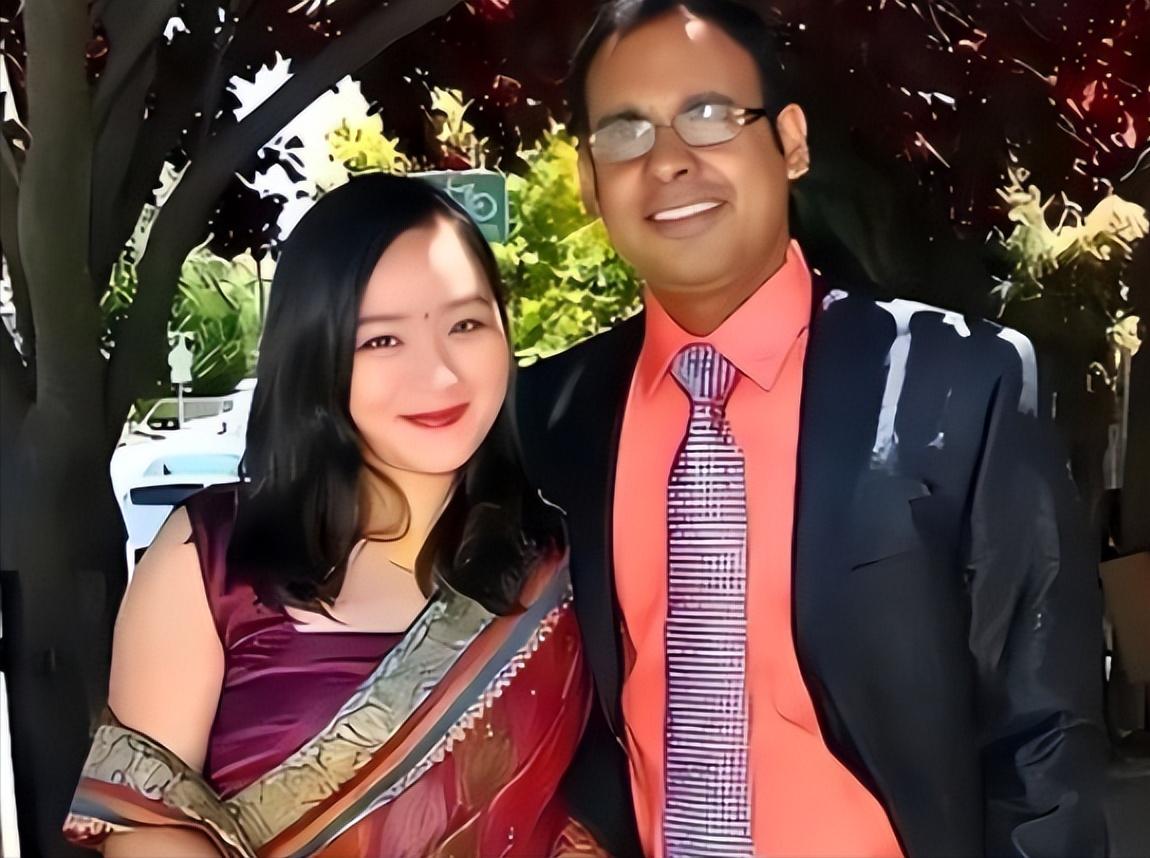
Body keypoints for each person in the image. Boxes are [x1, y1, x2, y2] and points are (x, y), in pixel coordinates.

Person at [516, 1, 1109, 856]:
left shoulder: (956, 385)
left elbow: (1043, 744)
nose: (668, 160)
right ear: (587, 177)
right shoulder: (552, 416)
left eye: (709, 114)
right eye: (625, 131)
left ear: (790, 142)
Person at [63, 175, 606, 858]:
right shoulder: (210, 558)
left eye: (466, 325)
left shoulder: (565, 561)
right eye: (381, 341)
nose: (440, 374)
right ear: (313, 353)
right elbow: (148, 827)